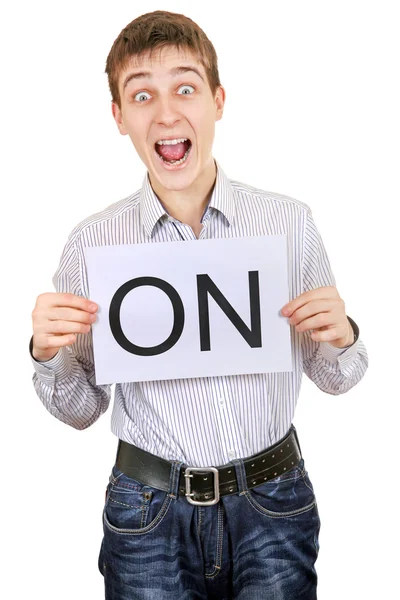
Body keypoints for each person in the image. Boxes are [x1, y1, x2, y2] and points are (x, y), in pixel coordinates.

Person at [30, 10, 369, 600]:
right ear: (118, 116)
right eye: (142, 95)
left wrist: (343, 335)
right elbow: (81, 409)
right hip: (147, 513)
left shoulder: (287, 223)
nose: (166, 113)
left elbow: (337, 378)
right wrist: (47, 354)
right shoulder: (93, 243)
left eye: (185, 89)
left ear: (217, 101)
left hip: (273, 500)